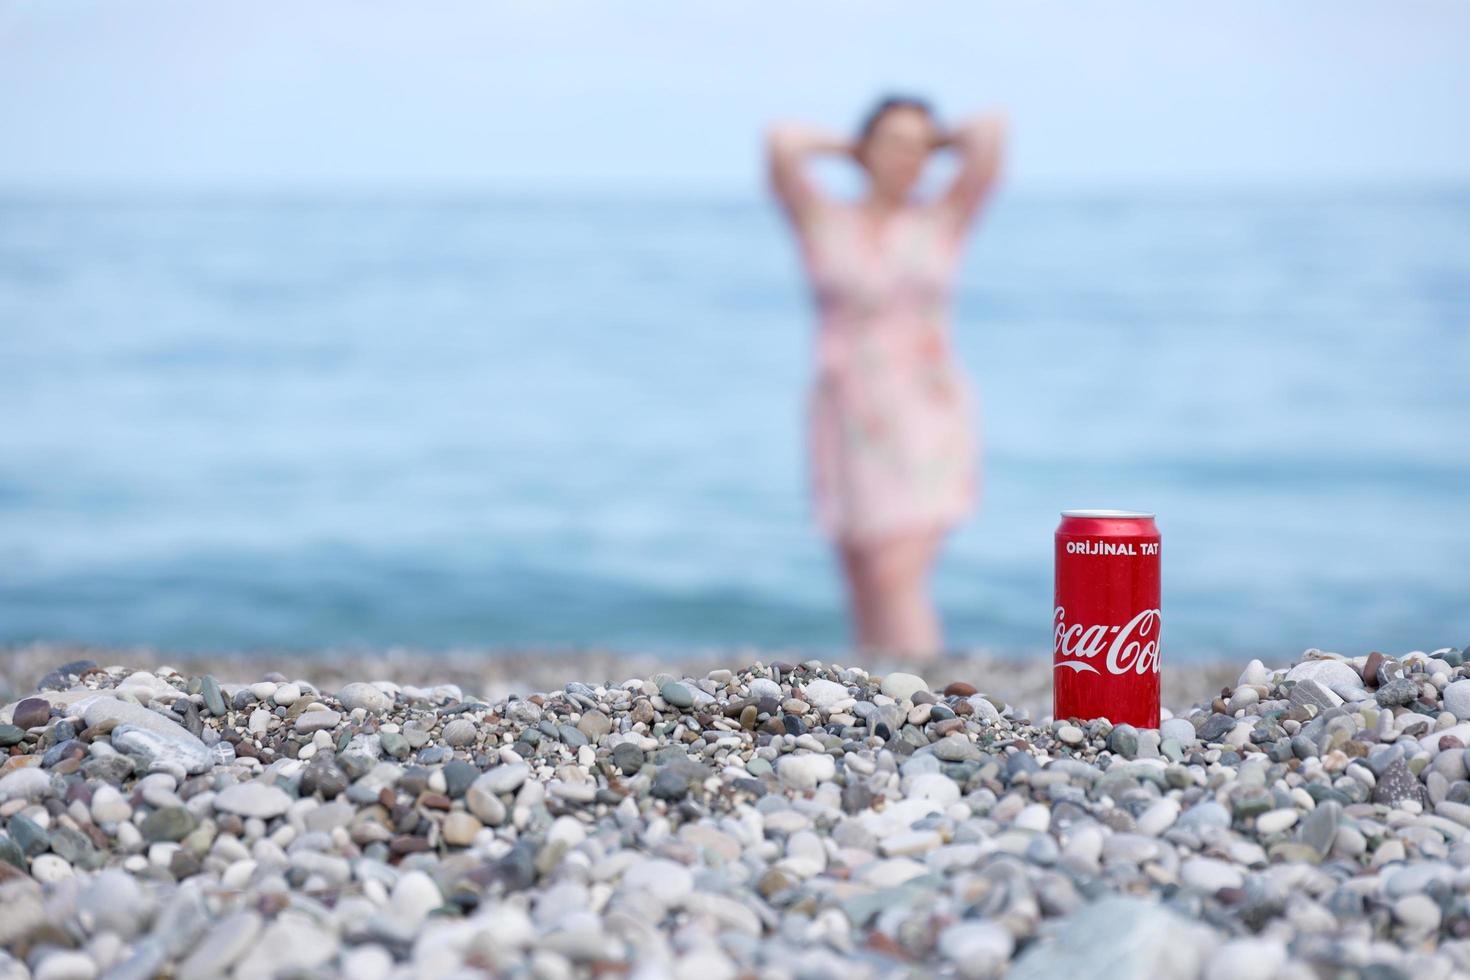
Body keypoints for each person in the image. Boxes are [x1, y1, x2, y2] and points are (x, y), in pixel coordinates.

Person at [766, 96, 1006, 658]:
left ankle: (924, 705)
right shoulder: (824, 220)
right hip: (846, 412)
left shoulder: (943, 219)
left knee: (898, 571)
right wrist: (850, 149)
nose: (910, 158)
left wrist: (937, 143)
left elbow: (992, 132)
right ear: (865, 149)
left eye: (922, 148)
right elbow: (781, 140)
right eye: (895, 143)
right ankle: (876, 704)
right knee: (861, 573)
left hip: (926, 412)